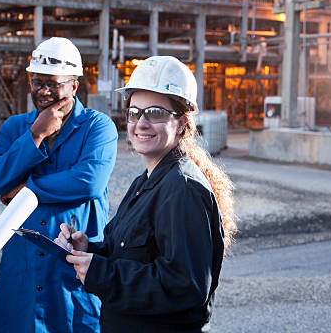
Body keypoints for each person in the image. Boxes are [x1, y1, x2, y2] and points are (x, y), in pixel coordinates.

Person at [55, 55, 237, 332]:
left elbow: (185, 286)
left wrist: (100, 272)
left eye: (156, 113)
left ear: (183, 122)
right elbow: (131, 254)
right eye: (134, 112)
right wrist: (89, 250)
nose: (141, 123)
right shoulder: (148, 180)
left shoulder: (183, 189)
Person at [0, 37, 118, 333]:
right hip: (24, 260)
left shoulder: (98, 127)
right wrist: (35, 135)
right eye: (37, 82)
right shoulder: (16, 127)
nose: (43, 91)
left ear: (74, 84)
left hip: (72, 259)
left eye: (53, 83)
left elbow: (89, 181)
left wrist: (26, 191)